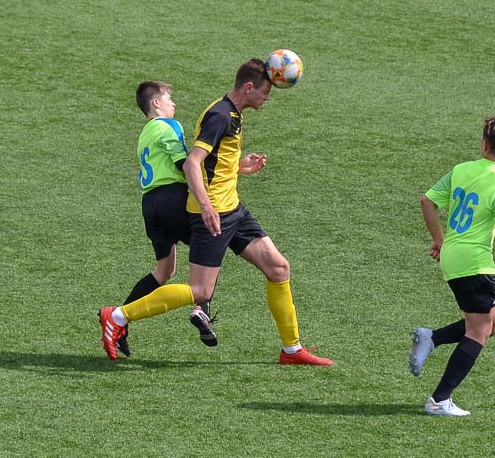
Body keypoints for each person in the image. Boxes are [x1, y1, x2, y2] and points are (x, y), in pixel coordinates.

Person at [99, 59, 332, 366]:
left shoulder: (231, 114)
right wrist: (207, 207)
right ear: (248, 87)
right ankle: (117, 316)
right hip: (215, 212)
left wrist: (239, 168)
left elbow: (213, 164)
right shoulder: (220, 115)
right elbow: (194, 162)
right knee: (200, 289)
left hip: (233, 208)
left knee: (278, 268)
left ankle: (292, 350)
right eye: (265, 91)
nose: (267, 97)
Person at [409, 116, 495, 416]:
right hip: (475, 263)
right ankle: (439, 400)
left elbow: (427, 201)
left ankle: (431, 338)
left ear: (484, 143)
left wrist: (439, 239)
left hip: (453, 256)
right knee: (478, 332)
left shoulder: (462, 169)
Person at [98, 81, 214, 359]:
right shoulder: (169, 127)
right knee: (213, 242)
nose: (174, 105)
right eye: (170, 99)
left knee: (164, 270)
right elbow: (183, 163)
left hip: (150, 204)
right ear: (156, 104)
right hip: (172, 198)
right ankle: (202, 309)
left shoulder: (144, 134)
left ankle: (117, 321)